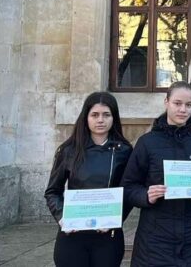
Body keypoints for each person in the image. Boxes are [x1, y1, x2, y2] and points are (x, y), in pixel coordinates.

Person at [122, 82, 191, 267]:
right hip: (155, 239)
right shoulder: (147, 143)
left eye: (189, 105)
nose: (183, 109)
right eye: (177, 103)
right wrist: (146, 195)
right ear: (166, 102)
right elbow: (128, 187)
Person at [45, 92, 133, 267]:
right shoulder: (69, 150)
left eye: (106, 115)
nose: (100, 120)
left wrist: (116, 218)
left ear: (114, 118)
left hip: (108, 235)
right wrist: (62, 217)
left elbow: (129, 192)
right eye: (95, 115)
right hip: (73, 234)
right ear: (86, 117)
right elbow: (53, 191)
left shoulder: (124, 151)